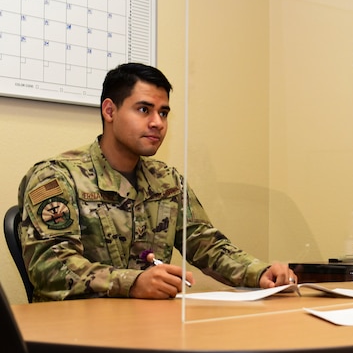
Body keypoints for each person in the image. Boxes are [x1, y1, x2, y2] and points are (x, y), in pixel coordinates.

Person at [18, 62, 296, 301]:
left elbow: (205, 244)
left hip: (152, 334)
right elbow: (51, 267)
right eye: (144, 110)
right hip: (83, 346)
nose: (158, 123)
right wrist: (134, 283)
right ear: (109, 111)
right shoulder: (57, 177)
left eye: (163, 113)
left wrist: (259, 272)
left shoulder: (167, 180)